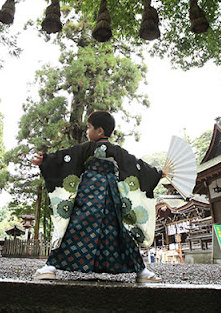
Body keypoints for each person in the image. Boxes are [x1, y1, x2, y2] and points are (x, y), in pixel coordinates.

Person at [31, 111, 163, 283]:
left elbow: (65, 156)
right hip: (110, 195)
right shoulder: (113, 150)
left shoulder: (87, 148)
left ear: (99, 131)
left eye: (89, 127)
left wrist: (46, 160)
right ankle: (141, 271)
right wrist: (157, 174)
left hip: (89, 193)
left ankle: (51, 267)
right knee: (119, 230)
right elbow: (137, 165)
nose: (87, 131)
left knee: (77, 225)